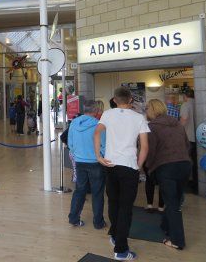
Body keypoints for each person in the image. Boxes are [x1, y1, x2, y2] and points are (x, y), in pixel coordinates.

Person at [94, 87, 149, 261]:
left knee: (113, 202)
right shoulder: (139, 117)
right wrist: (138, 165)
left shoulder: (108, 115)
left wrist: (98, 156)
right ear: (131, 99)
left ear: (115, 100)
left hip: (110, 165)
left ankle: (115, 235)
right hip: (129, 167)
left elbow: (96, 133)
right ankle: (121, 250)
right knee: (126, 208)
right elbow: (145, 146)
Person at [145, 99, 191, 250]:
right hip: (184, 165)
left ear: (151, 111)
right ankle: (166, 225)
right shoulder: (177, 123)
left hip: (167, 168)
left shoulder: (152, 127)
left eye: (147, 109)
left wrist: (149, 167)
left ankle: (178, 241)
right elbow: (187, 144)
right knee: (174, 201)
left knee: (172, 204)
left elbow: (150, 151)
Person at [68, 100, 106, 229]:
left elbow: (70, 144)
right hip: (96, 163)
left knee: (79, 191)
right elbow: (104, 145)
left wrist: (78, 154)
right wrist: (100, 156)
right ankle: (98, 222)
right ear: (96, 111)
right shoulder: (99, 125)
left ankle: (73, 218)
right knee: (97, 192)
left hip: (79, 162)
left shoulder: (74, 123)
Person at [179, 89, 197, 192]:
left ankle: (185, 184)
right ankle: (196, 184)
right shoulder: (197, 103)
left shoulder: (185, 105)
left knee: (185, 161)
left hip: (188, 137)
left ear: (185, 96)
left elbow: (184, 120)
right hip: (198, 137)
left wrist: (177, 131)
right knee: (195, 161)